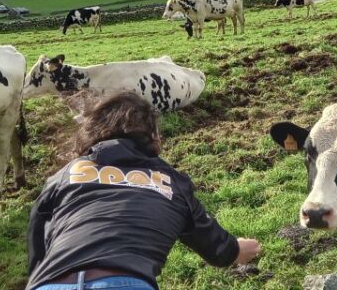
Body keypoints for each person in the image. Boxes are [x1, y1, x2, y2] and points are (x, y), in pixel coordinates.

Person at [26, 92, 261, 290]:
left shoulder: (65, 174)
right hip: (125, 282)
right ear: (153, 137)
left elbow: (38, 249)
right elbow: (215, 247)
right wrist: (236, 249)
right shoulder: (169, 181)